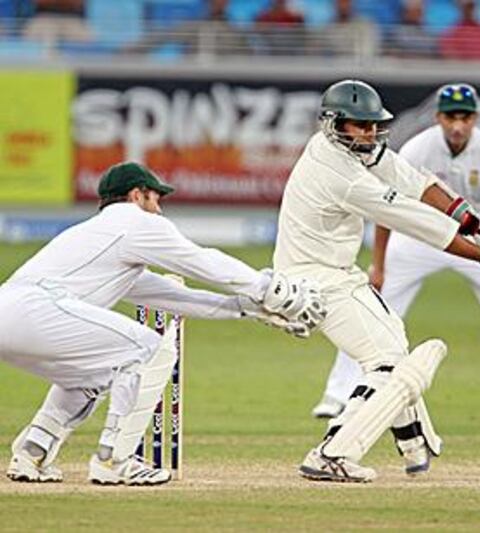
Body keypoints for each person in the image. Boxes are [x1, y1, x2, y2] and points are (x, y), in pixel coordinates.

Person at [278, 79, 480, 482]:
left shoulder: (354, 149)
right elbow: (414, 221)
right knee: (385, 361)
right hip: (314, 281)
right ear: (335, 125)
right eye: (359, 125)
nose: (369, 132)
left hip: (335, 272)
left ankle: (410, 436)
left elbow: (413, 180)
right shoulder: (340, 173)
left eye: (372, 125)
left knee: (394, 345)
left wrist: (471, 218)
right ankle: (332, 452)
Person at [1, 162, 324, 486]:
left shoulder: (105, 240)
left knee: (92, 374)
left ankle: (32, 453)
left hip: (14, 312)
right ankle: (114, 458)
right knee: (146, 347)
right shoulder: (134, 221)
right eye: (155, 199)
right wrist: (269, 290)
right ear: (136, 195)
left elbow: (175, 298)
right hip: (39, 308)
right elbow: (202, 261)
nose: (158, 208)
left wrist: (245, 308)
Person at [311, 83, 480, 426]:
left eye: (465, 117)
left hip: (474, 238)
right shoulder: (417, 149)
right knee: (367, 306)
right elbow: (385, 211)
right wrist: (379, 265)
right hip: (417, 236)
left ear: (475, 119)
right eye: (451, 116)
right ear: (438, 117)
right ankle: (337, 396)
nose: (457, 125)